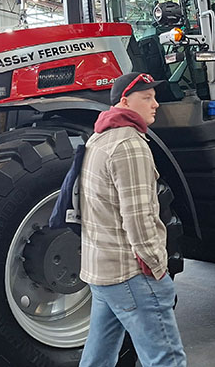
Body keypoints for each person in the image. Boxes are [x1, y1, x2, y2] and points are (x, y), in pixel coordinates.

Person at [79, 72, 186, 367]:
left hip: (103, 271)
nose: (155, 104)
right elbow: (139, 218)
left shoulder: (99, 138)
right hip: (132, 274)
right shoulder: (129, 145)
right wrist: (158, 268)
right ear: (125, 102)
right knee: (166, 359)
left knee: (98, 358)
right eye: (147, 98)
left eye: (155, 97)